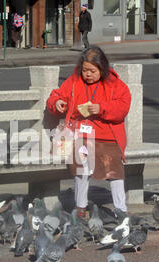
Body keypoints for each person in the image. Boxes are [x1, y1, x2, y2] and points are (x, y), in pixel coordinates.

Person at [46, 46, 131, 219]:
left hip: (108, 137)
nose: (88, 74)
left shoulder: (115, 84)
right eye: (85, 70)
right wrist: (57, 103)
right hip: (81, 136)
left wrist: (101, 108)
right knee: (81, 168)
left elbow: (123, 107)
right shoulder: (74, 81)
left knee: (114, 170)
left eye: (92, 70)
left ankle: (120, 209)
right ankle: (81, 207)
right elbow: (56, 95)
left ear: (102, 68)